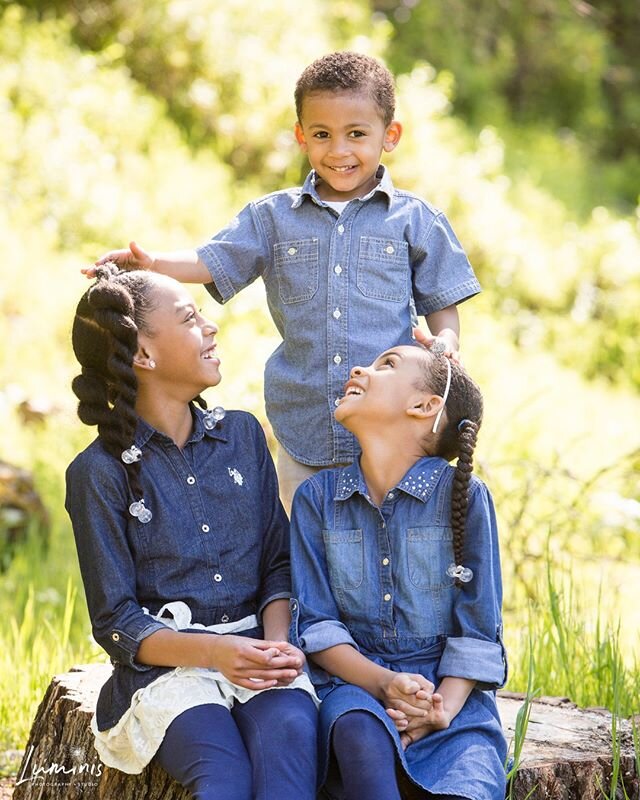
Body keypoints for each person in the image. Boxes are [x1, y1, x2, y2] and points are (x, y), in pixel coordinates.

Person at [90, 51, 481, 512]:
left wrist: (446, 342)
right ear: (301, 137)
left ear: (389, 135)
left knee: (384, 545)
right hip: (304, 426)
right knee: (306, 543)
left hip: (391, 427)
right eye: (322, 135)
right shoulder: (273, 218)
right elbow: (214, 260)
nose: (338, 150)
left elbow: (441, 299)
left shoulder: (415, 220)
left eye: (356, 134)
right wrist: (153, 262)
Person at [65, 265, 318, 800]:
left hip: (259, 650)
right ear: (143, 355)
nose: (211, 326)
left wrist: (274, 647)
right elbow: (115, 621)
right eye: (189, 317)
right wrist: (212, 654)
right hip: (169, 672)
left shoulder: (244, 436)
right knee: (223, 776)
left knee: (291, 744)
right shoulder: (98, 473)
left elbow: (277, 563)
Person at [288, 341, 507, 800]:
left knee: (469, 783)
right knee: (355, 730)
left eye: (386, 364)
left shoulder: (464, 498)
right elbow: (317, 625)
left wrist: (439, 710)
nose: (358, 368)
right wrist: (384, 683)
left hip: (452, 702)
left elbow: (479, 628)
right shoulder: (316, 500)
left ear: (424, 406)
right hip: (354, 685)